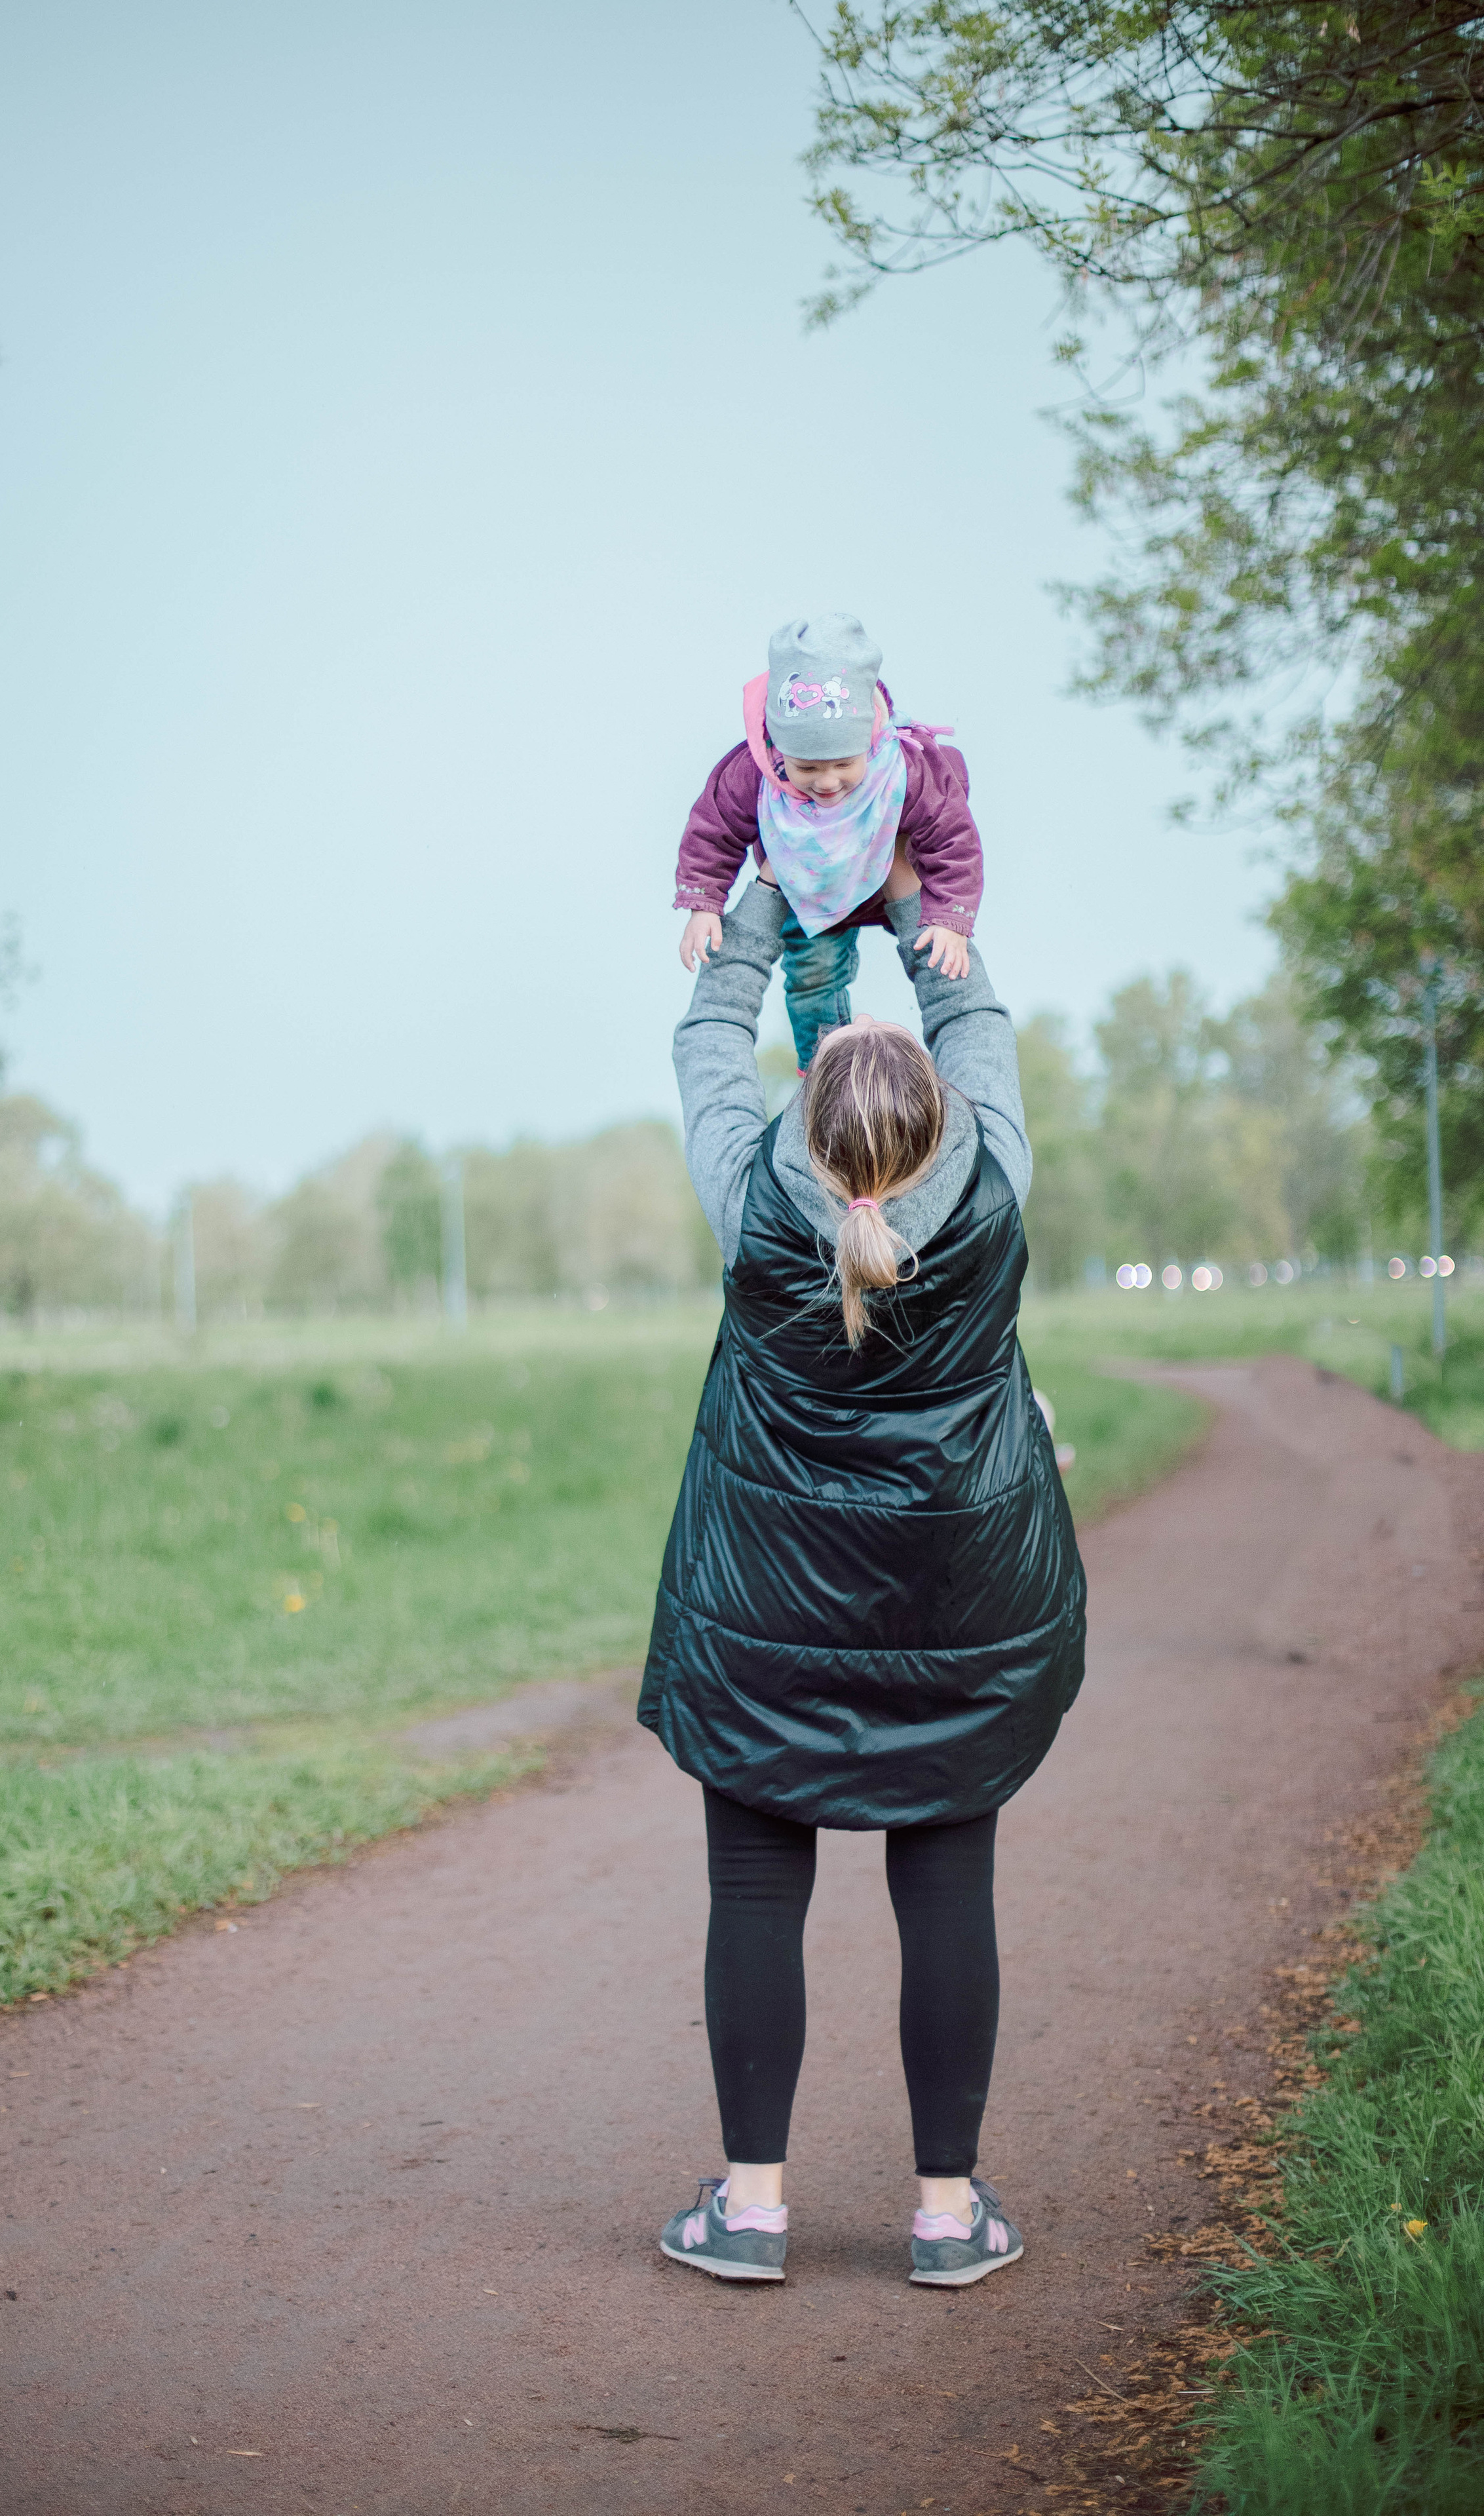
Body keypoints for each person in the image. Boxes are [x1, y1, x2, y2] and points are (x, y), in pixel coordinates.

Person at [640, 856, 1085, 2289]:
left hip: (763, 1613)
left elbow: (712, 1040)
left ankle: (751, 2212)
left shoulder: (746, 1192)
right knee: (946, 1893)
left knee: (755, 1897)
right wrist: (909, 899)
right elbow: (976, 1022)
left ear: (809, 1121)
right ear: (940, 1122)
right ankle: (946, 2221)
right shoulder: (993, 1183)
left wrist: (767, 903)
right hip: (957, 1615)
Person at [673, 615, 983, 1073]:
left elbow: (951, 836)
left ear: (869, 740)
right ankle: (825, 1072)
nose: (828, 781)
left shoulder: (903, 768)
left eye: (843, 764)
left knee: (940, 957)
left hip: (890, 877)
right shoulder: (751, 774)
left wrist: (952, 918)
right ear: (778, 748)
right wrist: (704, 904)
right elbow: (713, 831)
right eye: (808, 768)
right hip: (806, 891)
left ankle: (957, 1051)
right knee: (810, 979)